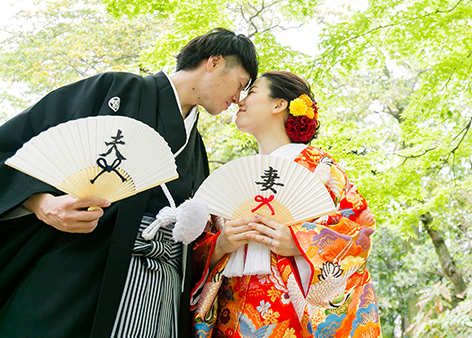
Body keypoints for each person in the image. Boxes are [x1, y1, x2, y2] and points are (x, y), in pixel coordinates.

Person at [0, 28, 259, 338]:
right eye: (240, 84)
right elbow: (12, 149)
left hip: (160, 294)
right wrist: (40, 203)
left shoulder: (197, 148)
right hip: (81, 268)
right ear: (214, 62)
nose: (238, 98)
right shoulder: (114, 89)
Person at [191, 71, 381, 338]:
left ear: (279, 105)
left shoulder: (320, 169)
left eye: (252, 92)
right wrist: (220, 245)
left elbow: (359, 232)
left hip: (290, 318)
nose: (240, 100)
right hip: (229, 317)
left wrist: (301, 242)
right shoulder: (238, 177)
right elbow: (196, 247)